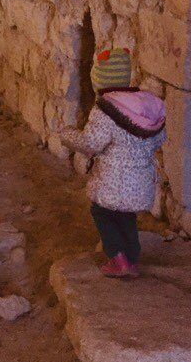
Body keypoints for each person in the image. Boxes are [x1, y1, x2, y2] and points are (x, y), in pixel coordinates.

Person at [60, 46, 166, 279]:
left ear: (99, 81)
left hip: (113, 181)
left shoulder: (105, 110)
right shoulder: (144, 106)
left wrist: (67, 135)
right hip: (141, 182)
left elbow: (91, 143)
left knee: (102, 212)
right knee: (126, 216)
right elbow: (159, 138)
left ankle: (117, 257)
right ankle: (132, 259)